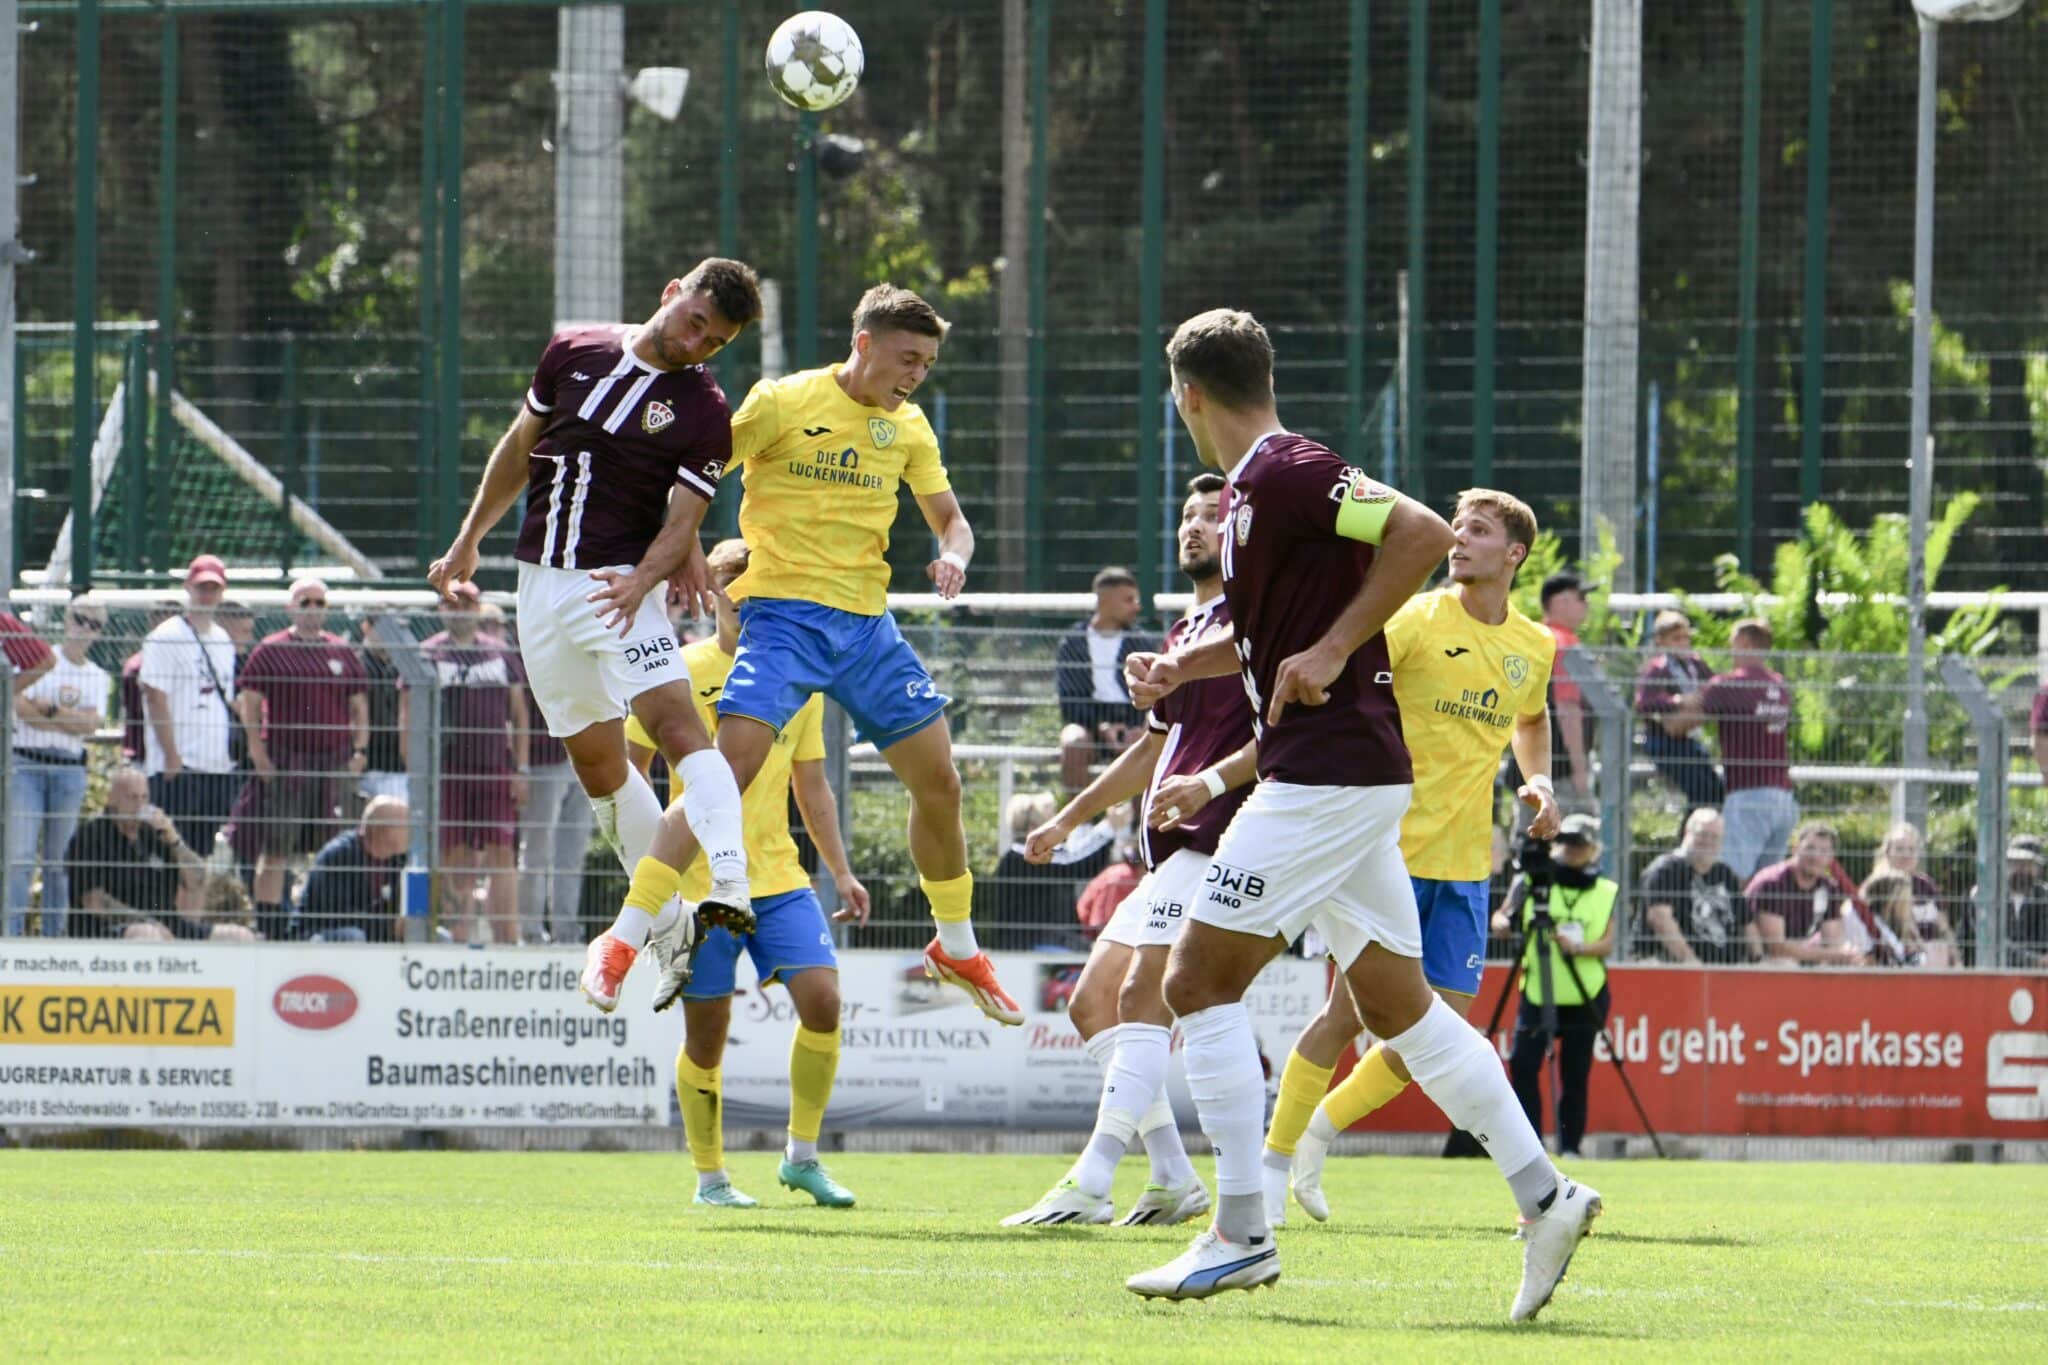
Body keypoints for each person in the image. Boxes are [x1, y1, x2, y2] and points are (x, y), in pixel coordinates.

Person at [1120, 309, 1596, 1317]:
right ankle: (1545, 1195)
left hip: (1324, 774)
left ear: (1186, 395)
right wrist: (1181, 665)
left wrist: (1336, 648)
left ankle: (1238, 1233)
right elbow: (1268, 636)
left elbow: (1421, 531)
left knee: (1194, 980)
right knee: (1399, 1008)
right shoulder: (1251, 492)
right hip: (1345, 776)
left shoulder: (1285, 467)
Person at [609, 283, 1023, 1025]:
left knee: (942, 783)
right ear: (864, 344)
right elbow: (696, 474)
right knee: (723, 778)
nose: (916, 376)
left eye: (927, 365)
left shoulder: (909, 427)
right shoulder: (782, 403)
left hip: (867, 629)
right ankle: (625, 934)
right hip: (782, 622)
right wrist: (684, 545)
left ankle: (956, 946)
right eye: (907, 359)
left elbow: (952, 522)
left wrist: (954, 556)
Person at [426, 259, 765, 1004]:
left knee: (675, 724)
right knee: (599, 766)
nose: (697, 344)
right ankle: (673, 925)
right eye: (695, 323)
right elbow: (520, 446)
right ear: (671, 292)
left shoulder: (706, 408)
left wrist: (643, 582)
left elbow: (683, 522)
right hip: (540, 587)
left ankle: (729, 881)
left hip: (619, 581)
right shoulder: (573, 349)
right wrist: (469, 537)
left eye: (716, 341)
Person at [1264, 486, 1565, 1224]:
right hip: (1385, 854)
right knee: (1345, 1016)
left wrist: (1541, 781)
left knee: (1437, 1035)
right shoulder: (1415, 618)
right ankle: (1271, 1164)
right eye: (1456, 527)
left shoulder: (1535, 645)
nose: (1458, 539)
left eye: (1478, 530)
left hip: (1465, 868)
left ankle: (1319, 1130)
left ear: (1514, 553)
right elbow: (1346, 686)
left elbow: (1531, 720)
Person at [1003, 471, 1253, 1230]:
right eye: (1187, 514)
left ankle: (1093, 1177)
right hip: (1168, 850)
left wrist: (1210, 784)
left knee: (1143, 994)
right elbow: (1149, 749)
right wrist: (1067, 819)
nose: (1195, 526)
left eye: (1213, 516)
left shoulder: (1257, 619)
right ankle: (1174, 1176)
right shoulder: (1179, 635)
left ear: (1243, 532)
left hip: (1218, 840)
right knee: (1091, 1004)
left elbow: (1282, 734)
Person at [619, 538, 866, 1208]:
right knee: (707, 1036)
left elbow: (812, 788)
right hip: (697, 889)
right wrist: (649, 873)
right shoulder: (677, 669)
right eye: (737, 594)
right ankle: (711, 1178)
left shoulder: (796, 678)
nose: (749, 605)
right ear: (714, 596)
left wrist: (842, 872)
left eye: (762, 593)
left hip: (778, 878)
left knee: (823, 1001)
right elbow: (631, 774)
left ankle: (802, 1157)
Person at [227, 577, 369, 940]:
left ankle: (323, 921)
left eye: (320, 603)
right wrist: (258, 753)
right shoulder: (271, 649)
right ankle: (270, 929)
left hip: (334, 764)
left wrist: (359, 751)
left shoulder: (341, 650)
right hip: (286, 762)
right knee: (275, 850)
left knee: (331, 848)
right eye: (305, 602)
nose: (313, 609)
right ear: (291, 608)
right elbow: (250, 704)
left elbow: (359, 706)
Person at [400, 583, 529, 944]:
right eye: (451, 603)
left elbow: (519, 715)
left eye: (467, 603)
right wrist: (416, 773)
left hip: (494, 768)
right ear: (441, 610)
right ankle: (457, 939)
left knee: (502, 853)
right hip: (445, 773)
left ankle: (506, 939)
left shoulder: (500, 653)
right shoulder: (427, 654)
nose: (459, 610)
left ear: (478, 608)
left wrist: (521, 770)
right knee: (455, 856)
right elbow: (407, 717)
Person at [1492, 813, 1618, 1160]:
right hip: (1537, 990)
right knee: (1522, 1064)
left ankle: (1571, 1145)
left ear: (1593, 849)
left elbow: (1608, 943)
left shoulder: (1604, 890)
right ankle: (1531, 1143)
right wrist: (1501, 923)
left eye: (1579, 843)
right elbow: (1504, 914)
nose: (1570, 849)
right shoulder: (1532, 881)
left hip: (1585, 994)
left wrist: (1579, 948)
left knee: (1575, 1074)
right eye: (1564, 842)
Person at [8, 600, 109, 936]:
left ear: (100, 633)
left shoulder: (97, 676)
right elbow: (20, 708)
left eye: (95, 624)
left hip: (69, 771)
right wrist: (69, 721)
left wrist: (48, 711)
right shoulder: (40, 659)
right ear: (67, 621)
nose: (85, 629)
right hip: (27, 765)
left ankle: (54, 938)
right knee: (20, 857)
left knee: (59, 862)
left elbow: (90, 726)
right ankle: (11, 935)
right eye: (80, 619)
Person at [1667, 618, 1795, 881]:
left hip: (1749, 796)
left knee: (1729, 877)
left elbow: (1678, 726)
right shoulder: (1778, 684)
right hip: (1784, 798)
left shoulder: (1731, 684)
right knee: (1764, 885)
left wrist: (1662, 707)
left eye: (1733, 644)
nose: (1730, 651)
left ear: (1745, 643)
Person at [138, 555, 243, 855]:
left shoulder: (223, 639)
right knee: (170, 854)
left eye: (214, 588)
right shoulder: (166, 636)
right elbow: (155, 697)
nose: (207, 595)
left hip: (217, 768)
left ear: (222, 592)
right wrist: (172, 756)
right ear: (187, 587)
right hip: (179, 767)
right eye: (201, 587)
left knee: (201, 856)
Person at [64, 767, 212, 939]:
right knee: (147, 935)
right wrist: (149, 923)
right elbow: (95, 902)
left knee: (233, 935)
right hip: (112, 929)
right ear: (112, 801)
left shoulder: (156, 834)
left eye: (144, 797)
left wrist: (175, 841)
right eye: (132, 797)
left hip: (169, 925)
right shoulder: (91, 836)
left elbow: (197, 881)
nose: (140, 805)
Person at [1056, 566, 1152, 793]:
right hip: (1088, 725)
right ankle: (1079, 816)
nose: (1136, 607)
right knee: (1073, 743)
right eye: (1129, 600)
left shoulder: (1140, 642)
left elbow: (1151, 694)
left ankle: (1140, 815)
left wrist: (1134, 726)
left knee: (1144, 743)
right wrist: (1101, 727)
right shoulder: (1073, 642)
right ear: (1106, 600)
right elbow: (1069, 700)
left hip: (1131, 723)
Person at [985, 791, 1120, 952]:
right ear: (1034, 828)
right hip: (1034, 943)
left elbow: (1071, 856)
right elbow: (1075, 863)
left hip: (1033, 940)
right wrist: (1109, 827)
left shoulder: (1017, 855)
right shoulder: (1029, 857)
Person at [518, 670, 594, 945]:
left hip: (585, 759)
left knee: (572, 853)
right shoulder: (526, 652)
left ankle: (566, 933)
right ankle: (530, 932)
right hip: (543, 760)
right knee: (536, 852)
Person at [1637, 807, 1759, 964]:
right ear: (1687, 833)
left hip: (1725, 968)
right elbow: (1660, 918)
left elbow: (1746, 923)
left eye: (1715, 837)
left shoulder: (1724, 873)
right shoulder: (1665, 870)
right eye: (1702, 834)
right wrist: (1691, 963)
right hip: (1671, 967)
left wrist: (1758, 960)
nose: (1708, 841)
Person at [1632, 610, 1724, 811]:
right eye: (1676, 639)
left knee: (1716, 790)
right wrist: (1678, 701)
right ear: (1661, 641)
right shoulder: (1657, 668)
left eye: (1685, 638)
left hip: (1688, 738)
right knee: (1700, 793)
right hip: (1664, 742)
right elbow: (1644, 702)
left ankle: (1702, 826)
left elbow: (1714, 686)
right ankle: (1696, 828)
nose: (1683, 643)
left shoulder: (1694, 664)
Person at [1745, 821, 1862, 966]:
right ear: (1795, 849)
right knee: (1785, 964)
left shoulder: (1829, 888)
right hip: (1757, 959)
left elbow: (1832, 942)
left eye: (1824, 851)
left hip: (1798, 954)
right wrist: (1833, 954)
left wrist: (1844, 957)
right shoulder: (1772, 883)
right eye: (1810, 848)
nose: (1816, 856)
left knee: (1849, 964)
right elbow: (1775, 948)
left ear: (1831, 858)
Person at [296, 797, 411, 943]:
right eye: (407, 826)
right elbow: (337, 917)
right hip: (318, 935)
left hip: (372, 933)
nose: (412, 833)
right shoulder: (338, 855)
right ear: (386, 830)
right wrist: (390, 926)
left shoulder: (398, 860)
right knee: (353, 936)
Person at [1539, 572, 1595, 811]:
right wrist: (1579, 769)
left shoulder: (1537, 637)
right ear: (1561, 602)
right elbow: (1568, 708)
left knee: (1531, 831)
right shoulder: (1564, 644)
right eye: (1581, 597)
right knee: (1579, 830)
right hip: (1561, 771)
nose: (1587, 604)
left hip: (1534, 761)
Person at [1871, 822, 1959, 968]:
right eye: (1899, 849)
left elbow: (1944, 928)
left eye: (1911, 849)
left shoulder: (1926, 885)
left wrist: (1957, 961)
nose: (1906, 855)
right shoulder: (1878, 887)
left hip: (1932, 960)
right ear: (1887, 852)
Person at [1990, 834, 2048, 969]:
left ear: (2038, 869)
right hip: (1993, 972)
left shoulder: (2044, 897)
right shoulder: (1987, 897)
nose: (2021, 869)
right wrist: (2036, 960)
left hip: (2037, 976)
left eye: (2027, 864)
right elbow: (1989, 942)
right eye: (2015, 863)